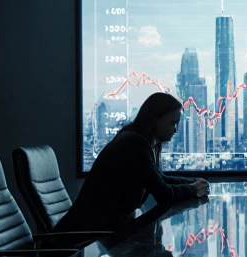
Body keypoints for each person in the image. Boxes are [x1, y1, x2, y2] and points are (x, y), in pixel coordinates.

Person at [55, 92, 209, 232]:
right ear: (155, 119)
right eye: (172, 123)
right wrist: (192, 189)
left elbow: (159, 179)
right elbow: (164, 194)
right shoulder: (133, 144)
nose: (175, 130)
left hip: (106, 231)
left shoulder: (140, 141)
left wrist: (192, 183)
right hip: (89, 236)